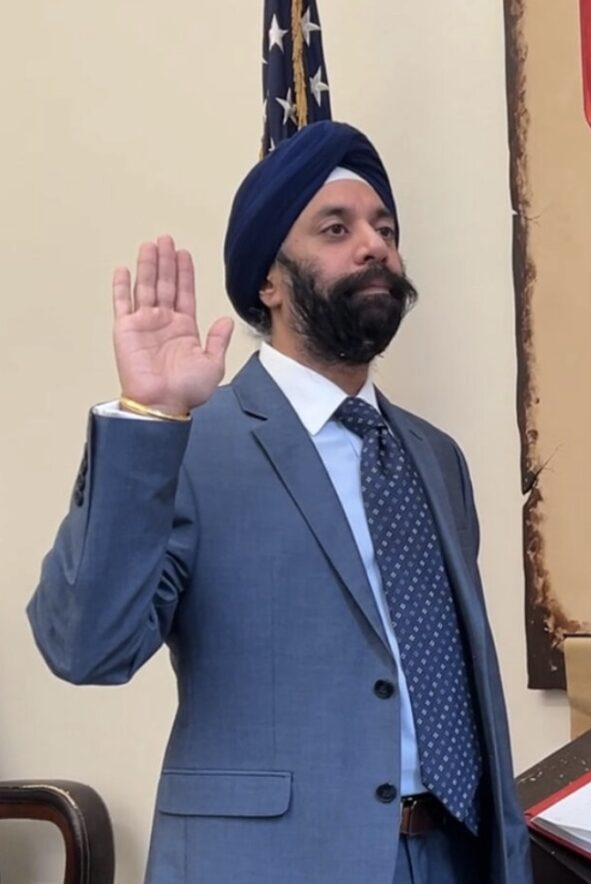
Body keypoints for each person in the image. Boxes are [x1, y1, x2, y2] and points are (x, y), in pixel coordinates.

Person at [27, 120, 533, 884]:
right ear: (269, 280)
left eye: (384, 228)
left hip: (453, 855)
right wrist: (147, 418)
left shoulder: (436, 458)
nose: (375, 246)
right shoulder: (188, 443)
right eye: (337, 228)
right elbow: (84, 647)